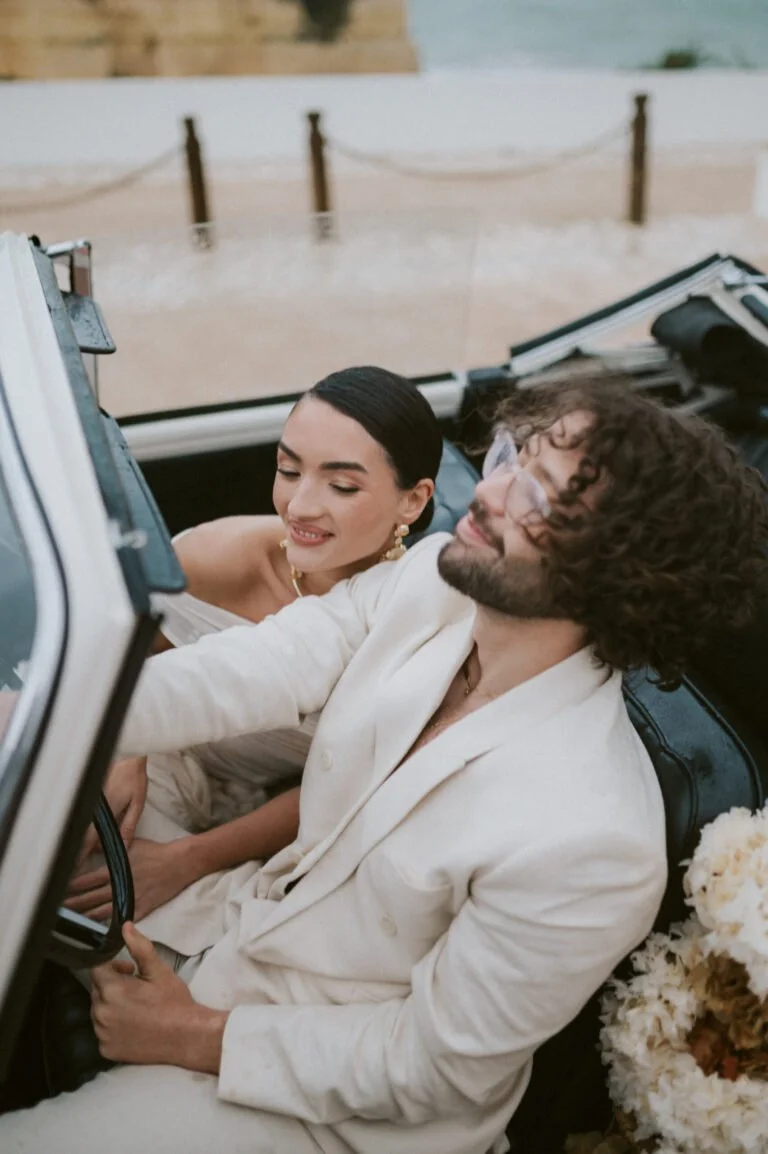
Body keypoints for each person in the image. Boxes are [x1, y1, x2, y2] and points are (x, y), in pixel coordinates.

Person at [6, 377, 768, 1154]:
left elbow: (430, 1067)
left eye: (539, 499)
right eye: (513, 456)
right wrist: (45, 706)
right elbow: (253, 669)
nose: (493, 490)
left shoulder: (598, 838)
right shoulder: (430, 581)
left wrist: (193, 1034)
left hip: (323, 1105)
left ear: (622, 577)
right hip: (229, 929)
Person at [67, 365, 441, 923]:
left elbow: (346, 790)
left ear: (412, 502)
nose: (300, 506)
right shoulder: (218, 557)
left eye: (341, 486)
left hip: (283, 825)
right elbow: (131, 646)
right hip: (158, 764)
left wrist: (187, 860)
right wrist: (130, 749)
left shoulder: (416, 624)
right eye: (288, 470)